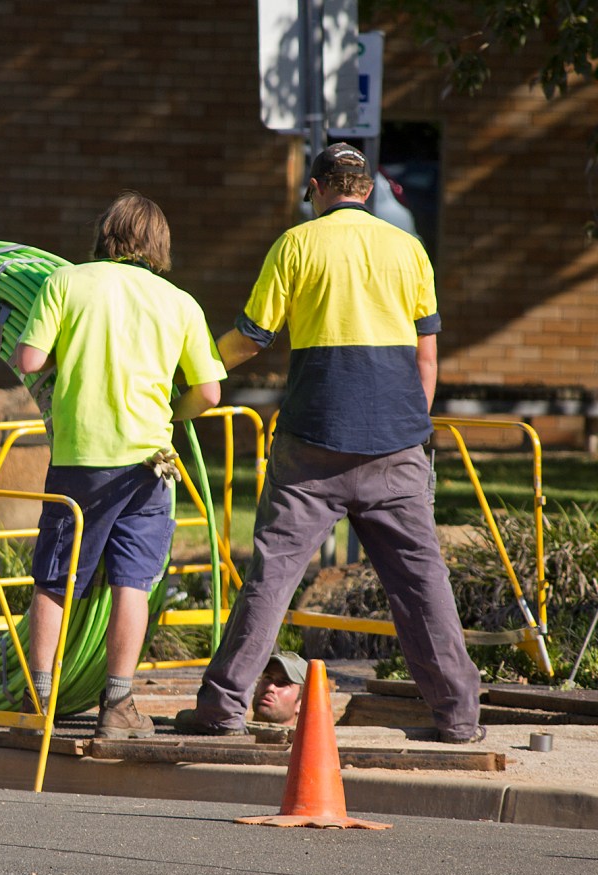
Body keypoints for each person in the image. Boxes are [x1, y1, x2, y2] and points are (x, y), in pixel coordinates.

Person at [174, 143, 484, 744]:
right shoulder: (409, 251)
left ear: (315, 188)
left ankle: (222, 709)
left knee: (272, 578)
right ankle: (458, 717)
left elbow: (251, 338)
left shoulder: (296, 244)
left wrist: (194, 371)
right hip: (397, 444)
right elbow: (427, 357)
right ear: (366, 190)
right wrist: (405, 430)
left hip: (312, 442)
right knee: (422, 583)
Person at [14, 191, 226, 739]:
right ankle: (118, 705)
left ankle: (38, 702)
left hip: (80, 459)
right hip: (149, 463)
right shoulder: (180, 302)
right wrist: (171, 417)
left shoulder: (65, 283)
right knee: (133, 582)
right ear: (159, 244)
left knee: (55, 580)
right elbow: (209, 391)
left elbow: (29, 360)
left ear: (105, 233)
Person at [251, 651, 306, 727]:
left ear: (301, 704)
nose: (270, 687)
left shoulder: (305, 739)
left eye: (284, 682)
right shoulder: (232, 731)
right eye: (268, 678)